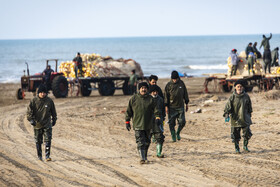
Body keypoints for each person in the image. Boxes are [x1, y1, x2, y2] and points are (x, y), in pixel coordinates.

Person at [125, 82, 160, 164]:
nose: (143, 89)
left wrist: (158, 117)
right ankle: (142, 158)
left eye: (145, 88)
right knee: (140, 141)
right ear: (139, 89)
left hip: (148, 125)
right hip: (137, 124)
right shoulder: (134, 99)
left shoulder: (151, 99)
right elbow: (128, 111)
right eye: (142, 88)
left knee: (147, 141)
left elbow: (156, 110)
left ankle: (145, 156)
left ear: (147, 89)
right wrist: (127, 121)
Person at [27, 84, 57, 161]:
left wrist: (54, 119)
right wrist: (31, 120)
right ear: (38, 93)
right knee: (38, 141)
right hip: (37, 124)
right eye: (41, 93)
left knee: (48, 140)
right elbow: (29, 112)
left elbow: (53, 111)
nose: (43, 94)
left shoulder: (49, 101)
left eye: (44, 93)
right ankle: (39, 156)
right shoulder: (34, 101)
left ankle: (47, 156)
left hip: (47, 123)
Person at [223, 80, 253, 154]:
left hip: (245, 118)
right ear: (235, 88)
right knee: (235, 135)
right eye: (238, 87)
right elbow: (227, 107)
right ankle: (237, 148)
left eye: (241, 86)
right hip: (235, 119)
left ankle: (245, 146)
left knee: (247, 134)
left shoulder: (246, 96)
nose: (239, 88)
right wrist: (226, 114)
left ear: (243, 88)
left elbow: (250, 108)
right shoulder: (232, 97)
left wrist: (249, 115)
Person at [164, 70, 189, 142]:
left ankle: (178, 132)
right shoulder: (169, 85)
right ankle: (173, 135)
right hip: (171, 107)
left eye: (176, 79)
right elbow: (166, 96)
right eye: (173, 79)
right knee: (171, 123)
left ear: (178, 78)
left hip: (180, 106)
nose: (174, 80)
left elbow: (185, 94)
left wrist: (187, 103)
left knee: (182, 122)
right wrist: (166, 106)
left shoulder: (181, 84)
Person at [149, 85, 165, 158]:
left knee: (160, 136)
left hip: (158, 120)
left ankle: (158, 152)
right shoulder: (147, 99)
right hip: (149, 120)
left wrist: (163, 118)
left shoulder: (160, 99)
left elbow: (163, 109)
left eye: (156, 92)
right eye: (153, 92)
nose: (155, 93)